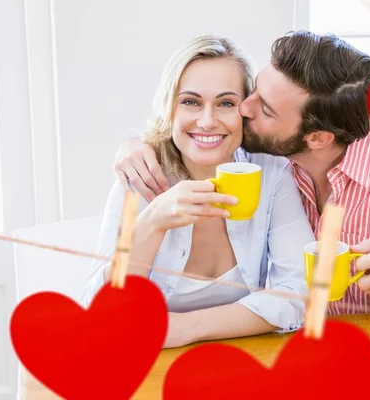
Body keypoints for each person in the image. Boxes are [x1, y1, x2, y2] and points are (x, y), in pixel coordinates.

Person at [114, 30, 370, 327]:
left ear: (316, 138)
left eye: (265, 109)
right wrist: (140, 144)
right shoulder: (266, 159)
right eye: (254, 90)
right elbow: (197, 123)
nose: (243, 109)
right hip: (291, 351)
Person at [81, 35, 315, 348]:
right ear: (169, 108)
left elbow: (301, 292)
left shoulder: (271, 174)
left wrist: (187, 328)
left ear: (244, 111)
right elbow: (98, 311)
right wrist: (153, 222)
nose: (207, 121)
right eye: (190, 101)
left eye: (226, 103)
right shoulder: (139, 177)